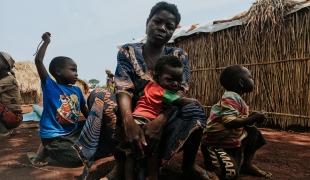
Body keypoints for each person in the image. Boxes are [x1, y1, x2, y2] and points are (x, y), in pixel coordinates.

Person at [73, 2, 209, 180]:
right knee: (99, 96)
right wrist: (129, 122)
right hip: (129, 114)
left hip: (164, 112)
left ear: (173, 31)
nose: (162, 28)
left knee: (195, 109)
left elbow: (180, 91)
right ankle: (121, 163)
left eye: (169, 26)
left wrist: (160, 121)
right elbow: (123, 88)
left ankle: (188, 165)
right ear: (147, 22)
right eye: (157, 22)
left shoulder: (178, 55)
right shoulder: (128, 51)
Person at [124, 55, 200, 180]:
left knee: (131, 155)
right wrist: (194, 101)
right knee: (153, 152)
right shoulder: (162, 92)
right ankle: (153, 176)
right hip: (145, 121)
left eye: (179, 80)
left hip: (136, 118)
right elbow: (181, 101)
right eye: (170, 80)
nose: (176, 84)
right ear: (156, 76)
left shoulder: (149, 86)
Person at [201, 65, 272, 179]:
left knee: (253, 132)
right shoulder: (230, 97)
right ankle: (211, 164)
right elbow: (229, 122)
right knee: (230, 175)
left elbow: (240, 121)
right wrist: (253, 118)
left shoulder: (237, 98)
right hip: (216, 143)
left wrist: (253, 118)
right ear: (241, 82)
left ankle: (246, 164)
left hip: (231, 140)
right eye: (250, 77)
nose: (253, 79)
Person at [28, 32, 88, 167]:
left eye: (76, 70)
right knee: (77, 159)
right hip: (54, 137)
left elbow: (86, 113)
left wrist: (94, 126)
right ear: (58, 72)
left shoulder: (77, 90)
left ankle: (58, 149)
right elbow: (38, 61)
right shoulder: (50, 86)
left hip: (71, 131)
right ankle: (48, 151)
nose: (76, 73)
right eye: (73, 69)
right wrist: (46, 42)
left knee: (92, 131)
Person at [0, 52, 23, 137]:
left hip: (13, 118)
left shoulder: (9, 79)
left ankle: (3, 132)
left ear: (5, 65)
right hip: (7, 115)